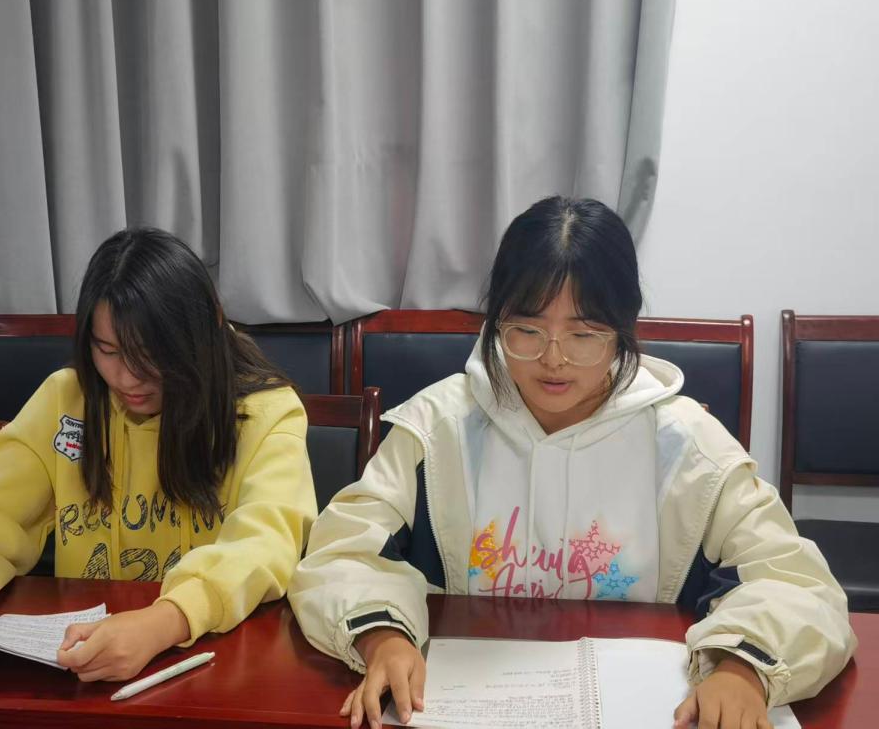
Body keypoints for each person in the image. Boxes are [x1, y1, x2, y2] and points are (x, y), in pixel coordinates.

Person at [289, 197, 855, 729]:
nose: (553, 359)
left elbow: (795, 582)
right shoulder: (439, 428)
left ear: (623, 330)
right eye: (526, 330)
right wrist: (382, 636)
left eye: (584, 334)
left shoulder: (685, 445)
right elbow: (343, 551)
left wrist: (742, 670)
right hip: (465, 697)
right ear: (496, 322)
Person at [0, 227, 316, 682]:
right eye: (109, 350)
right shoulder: (65, 401)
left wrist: (165, 621)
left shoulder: (265, 412)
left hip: (213, 665)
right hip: (79, 661)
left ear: (205, 330)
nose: (128, 378)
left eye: (152, 354)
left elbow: (265, 543)